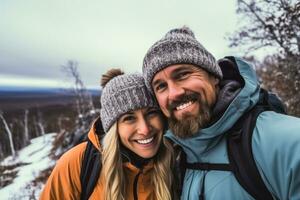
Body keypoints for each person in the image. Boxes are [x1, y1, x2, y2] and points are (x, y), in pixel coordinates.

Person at [142, 26, 300, 199]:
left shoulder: (286, 142)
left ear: (214, 76)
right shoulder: (175, 158)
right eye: (161, 86)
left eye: (183, 75)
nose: (174, 93)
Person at [40, 69, 175, 200]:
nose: (144, 129)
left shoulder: (175, 159)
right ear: (113, 128)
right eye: (129, 118)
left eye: (151, 113)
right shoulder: (78, 163)